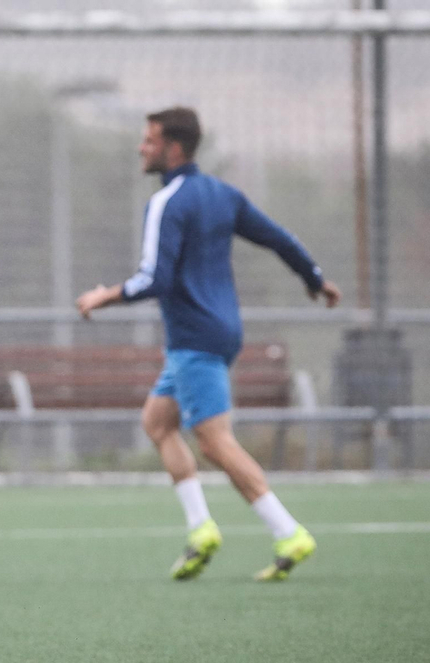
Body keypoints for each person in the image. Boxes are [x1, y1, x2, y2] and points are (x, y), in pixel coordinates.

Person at [75, 107, 343, 582]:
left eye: (149, 140)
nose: (142, 147)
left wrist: (105, 295)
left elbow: (154, 279)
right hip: (214, 333)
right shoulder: (222, 194)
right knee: (158, 423)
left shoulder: (168, 202)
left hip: (197, 337)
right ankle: (201, 529)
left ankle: (289, 532)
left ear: (173, 148)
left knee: (215, 443)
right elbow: (280, 239)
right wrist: (315, 279)